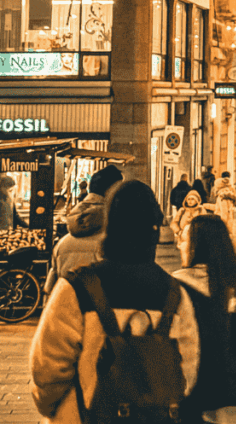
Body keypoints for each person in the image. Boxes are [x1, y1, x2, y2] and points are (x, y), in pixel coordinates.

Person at [30, 181, 200, 424]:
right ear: (152, 228)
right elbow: (188, 368)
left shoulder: (76, 287)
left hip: (83, 416)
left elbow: (46, 366)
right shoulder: (173, 293)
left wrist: (59, 409)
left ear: (110, 224)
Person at [174, 215, 236, 424]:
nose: (180, 244)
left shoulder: (179, 287)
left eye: (185, 239)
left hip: (201, 397)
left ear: (198, 246)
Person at [44, 166, 124, 294]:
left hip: (67, 311)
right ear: (111, 193)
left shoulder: (61, 245)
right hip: (100, 313)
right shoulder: (118, 243)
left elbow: (49, 294)